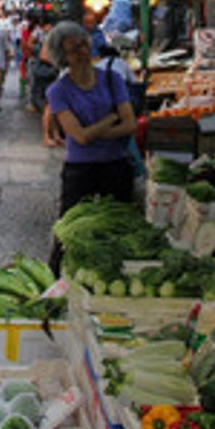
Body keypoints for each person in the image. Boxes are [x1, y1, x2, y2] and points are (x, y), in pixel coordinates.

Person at [46, 27, 138, 266]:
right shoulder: (58, 90)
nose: (83, 52)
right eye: (74, 49)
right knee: (69, 229)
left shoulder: (112, 78)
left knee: (121, 227)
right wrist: (109, 119)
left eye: (84, 44)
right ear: (62, 56)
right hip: (80, 168)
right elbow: (80, 137)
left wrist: (96, 131)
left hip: (116, 164)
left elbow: (130, 124)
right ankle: (57, 279)